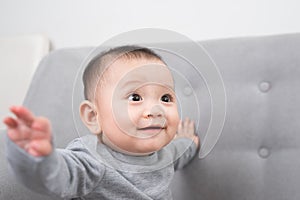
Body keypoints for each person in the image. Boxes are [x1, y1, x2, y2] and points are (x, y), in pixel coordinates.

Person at [3, 45, 200, 199]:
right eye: (135, 97)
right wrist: (38, 156)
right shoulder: (93, 160)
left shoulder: (164, 154)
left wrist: (188, 141)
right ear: (93, 116)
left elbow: (179, 152)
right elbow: (59, 175)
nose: (156, 110)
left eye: (165, 98)